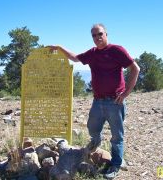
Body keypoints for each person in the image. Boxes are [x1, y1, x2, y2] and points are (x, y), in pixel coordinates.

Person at [50, 23, 140, 179]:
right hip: (97, 101)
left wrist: (125, 93)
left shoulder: (116, 50)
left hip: (115, 102)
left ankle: (115, 164)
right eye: (94, 35)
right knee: (92, 128)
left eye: (100, 34)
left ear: (106, 34)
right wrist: (59, 47)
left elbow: (135, 69)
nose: (97, 37)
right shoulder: (92, 53)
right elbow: (75, 58)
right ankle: (96, 142)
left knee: (117, 136)